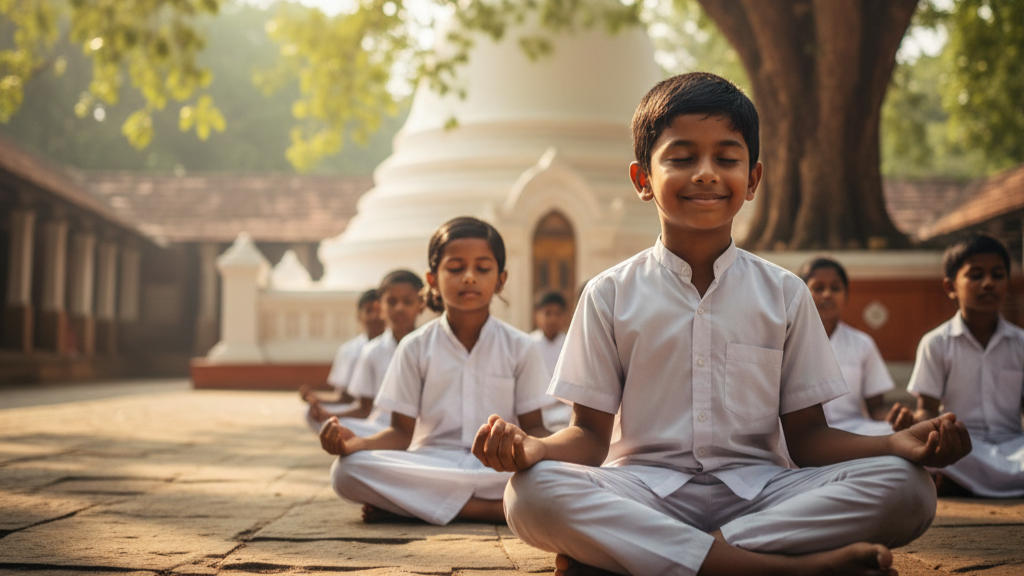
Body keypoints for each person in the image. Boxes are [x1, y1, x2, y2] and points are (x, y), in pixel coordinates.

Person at [472, 72, 972, 576]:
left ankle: (647, 556)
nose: (707, 174)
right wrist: (534, 448)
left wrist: (893, 444)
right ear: (642, 179)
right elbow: (588, 436)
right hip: (644, 490)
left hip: (762, 492)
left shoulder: (784, 293)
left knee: (908, 487)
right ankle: (778, 568)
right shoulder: (609, 294)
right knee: (531, 492)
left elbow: (809, 439)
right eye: (682, 157)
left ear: (752, 179)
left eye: (727, 158)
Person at [320, 216, 552, 525]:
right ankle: (494, 511)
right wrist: (355, 444)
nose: (469, 277)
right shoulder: (415, 347)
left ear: (500, 279)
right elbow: (402, 433)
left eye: (482, 268)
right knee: (346, 471)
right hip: (430, 463)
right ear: (432, 280)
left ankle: (417, 507)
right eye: (456, 268)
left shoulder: (520, 346)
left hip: (498, 467)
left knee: (558, 473)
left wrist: (540, 450)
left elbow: (535, 429)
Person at [889, 233, 1024, 498]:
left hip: (1015, 446)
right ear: (951, 287)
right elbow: (926, 409)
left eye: (998, 275)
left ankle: (958, 485)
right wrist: (911, 426)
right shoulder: (935, 343)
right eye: (975, 275)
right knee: (913, 456)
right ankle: (957, 479)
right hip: (961, 448)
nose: (988, 283)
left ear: (1008, 284)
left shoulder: (1021, 344)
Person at [308, 271, 425, 436]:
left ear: (421, 305)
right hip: (381, 428)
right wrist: (330, 416)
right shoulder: (372, 352)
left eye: (407, 302)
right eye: (392, 302)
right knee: (347, 459)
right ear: (381, 307)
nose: (400, 308)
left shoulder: (430, 346)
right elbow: (364, 409)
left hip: (423, 429)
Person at [798, 257, 895, 436]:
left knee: (900, 445)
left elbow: (876, 409)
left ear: (846, 295)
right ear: (801, 294)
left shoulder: (862, 344)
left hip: (854, 432)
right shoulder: (787, 342)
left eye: (835, 288)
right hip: (801, 437)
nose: (827, 294)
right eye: (818, 288)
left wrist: (897, 421)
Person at [301, 289, 384, 431]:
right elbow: (346, 398)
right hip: (361, 412)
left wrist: (330, 414)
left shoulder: (401, 347)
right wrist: (318, 400)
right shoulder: (349, 351)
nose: (375, 317)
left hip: (388, 416)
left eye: (379, 311)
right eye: (369, 311)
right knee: (310, 413)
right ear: (359, 316)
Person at [530, 291, 572, 430]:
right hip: (535, 413)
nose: (553, 319)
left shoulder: (572, 344)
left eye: (558, 314)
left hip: (567, 414)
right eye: (548, 313)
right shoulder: (528, 345)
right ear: (537, 315)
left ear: (565, 316)